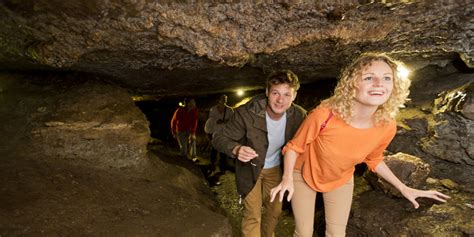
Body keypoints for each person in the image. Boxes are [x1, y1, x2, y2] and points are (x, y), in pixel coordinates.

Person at [270, 53, 451, 236]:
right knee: (304, 232)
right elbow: (294, 147)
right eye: (369, 77)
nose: (379, 83)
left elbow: (374, 159)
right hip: (304, 173)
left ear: (394, 87)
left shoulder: (387, 125)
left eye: (387, 78)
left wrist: (403, 187)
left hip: (340, 178)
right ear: (352, 84)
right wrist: (287, 179)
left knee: (337, 233)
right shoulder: (324, 115)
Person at [212, 70, 307, 237]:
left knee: (274, 212)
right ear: (267, 92)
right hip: (250, 169)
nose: (280, 100)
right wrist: (236, 149)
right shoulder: (246, 113)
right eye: (275, 93)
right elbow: (219, 137)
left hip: (277, 169)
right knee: (253, 215)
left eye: (287, 94)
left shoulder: (298, 115)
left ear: (294, 96)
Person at [204, 94, 234, 174]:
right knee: (214, 149)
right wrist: (216, 121)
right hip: (215, 132)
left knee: (223, 150)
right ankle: (212, 164)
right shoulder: (213, 109)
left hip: (224, 133)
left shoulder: (230, 110)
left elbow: (233, 121)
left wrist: (227, 121)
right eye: (222, 98)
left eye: (225, 98)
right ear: (219, 99)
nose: (224, 100)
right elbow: (210, 120)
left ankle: (222, 166)